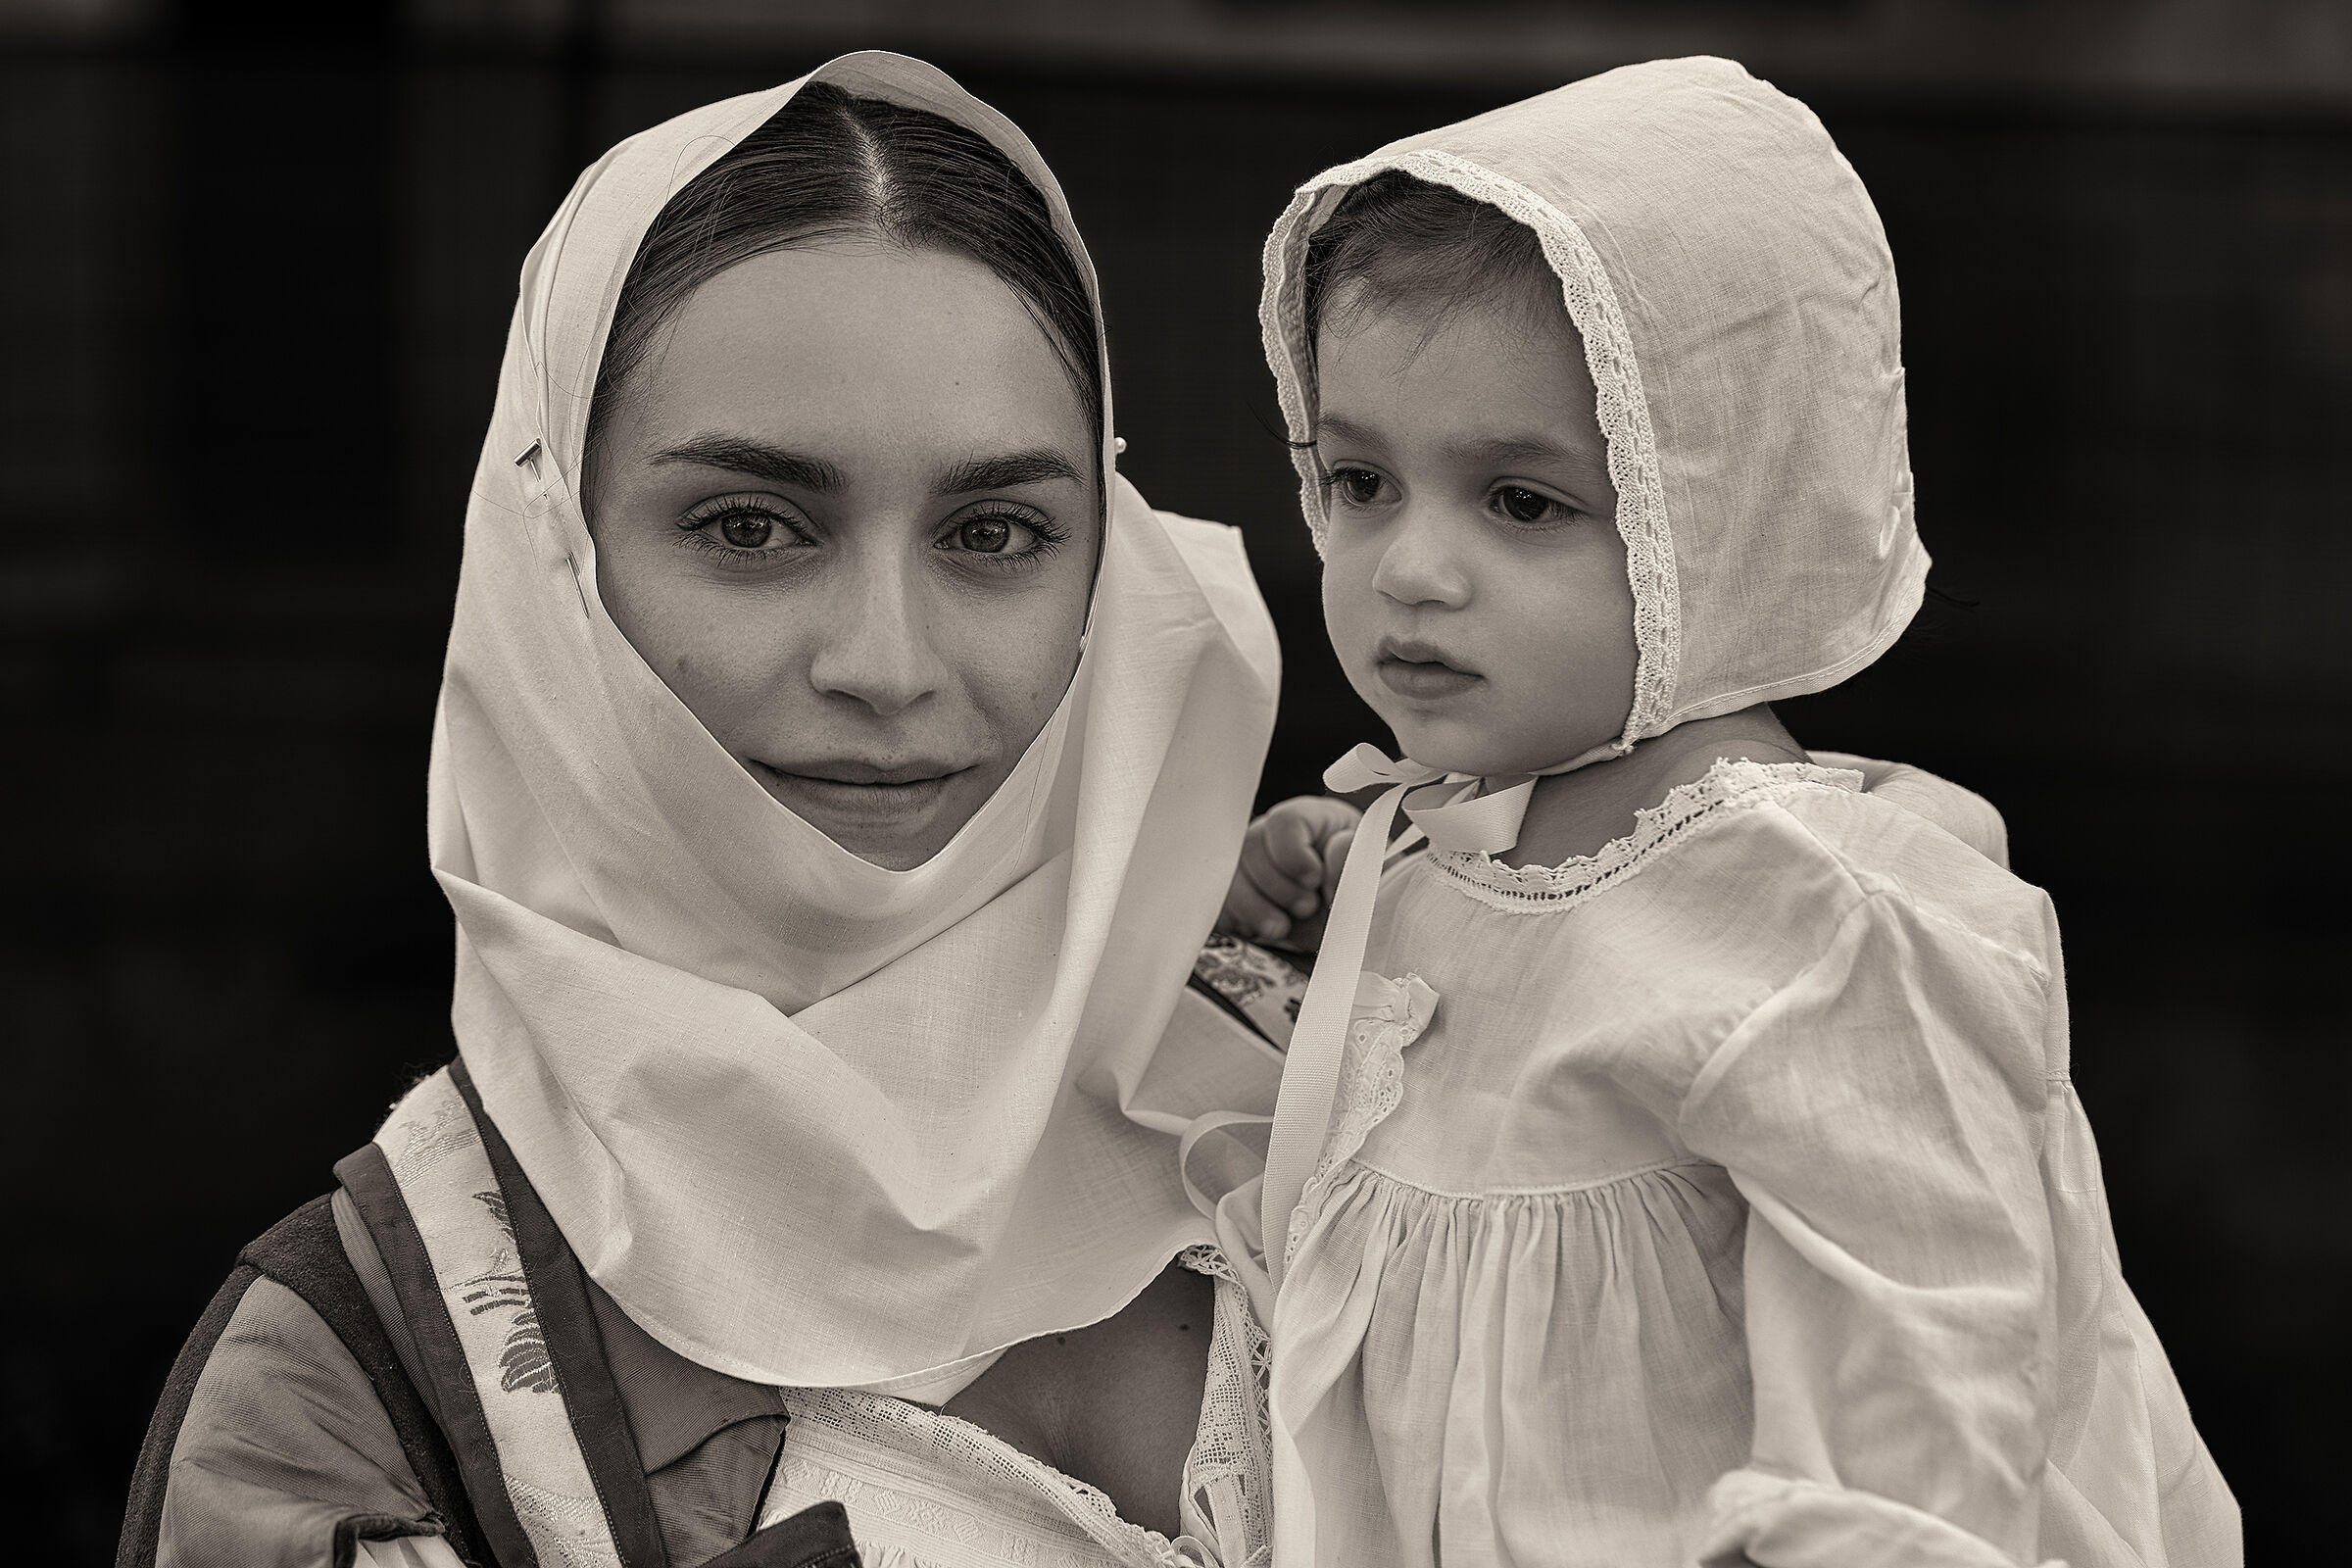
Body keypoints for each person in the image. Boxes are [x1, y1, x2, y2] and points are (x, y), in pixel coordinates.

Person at [118, 53, 1302, 1568]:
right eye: (751, 526)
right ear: (557, 566)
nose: (887, 663)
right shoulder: (351, 1387)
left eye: (997, 530)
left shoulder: (1370, 1098)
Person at [1219, 57, 2240, 1568]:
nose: (1407, 569)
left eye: (1521, 501)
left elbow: (1919, 1460)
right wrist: (1303, 910)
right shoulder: (1432, 839)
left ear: (1725, 505)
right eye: (1361, 480)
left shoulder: (1826, 924)